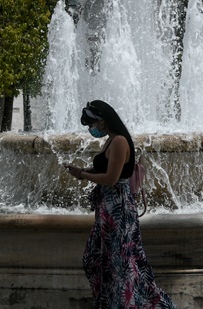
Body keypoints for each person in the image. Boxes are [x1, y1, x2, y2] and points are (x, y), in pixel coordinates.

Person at [64, 100, 176, 308]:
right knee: (100, 259)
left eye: (92, 124)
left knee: (120, 262)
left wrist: (82, 174)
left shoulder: (119, 141)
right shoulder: (111, 140)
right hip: (108, 208)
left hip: (118, 208)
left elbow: (111, 179)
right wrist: (84, 170)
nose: (91, 129)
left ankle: (136, 304)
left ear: (103, 121)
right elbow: (107, 169)